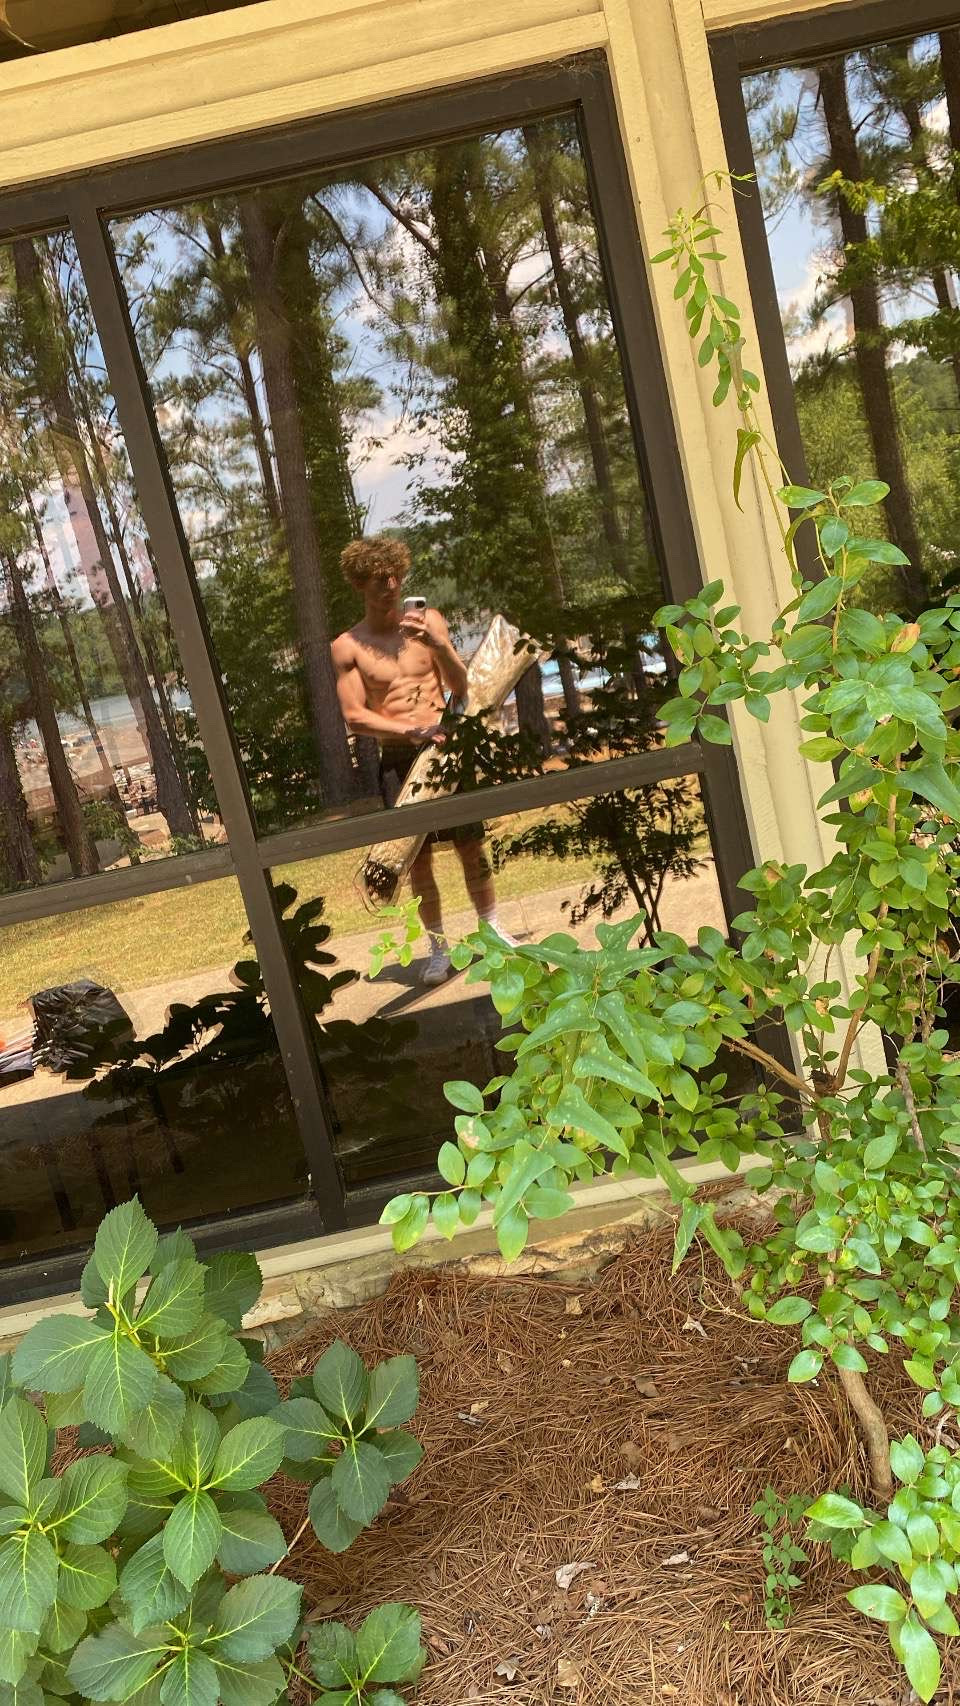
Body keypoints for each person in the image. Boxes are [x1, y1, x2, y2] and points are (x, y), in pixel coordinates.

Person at [332, 535, 512, 986]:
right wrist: (409, 730)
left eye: (396, 576)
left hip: (444, 751)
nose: (391, 586)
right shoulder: (348, 646)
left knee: (471, 845)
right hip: (397, 759)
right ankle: (438, 950)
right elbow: (355, 716)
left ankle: (492, 931)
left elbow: (460, 687)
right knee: (416, 859)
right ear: (360, 583)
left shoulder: (429, 621)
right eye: (380, 579)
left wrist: (439, 645)